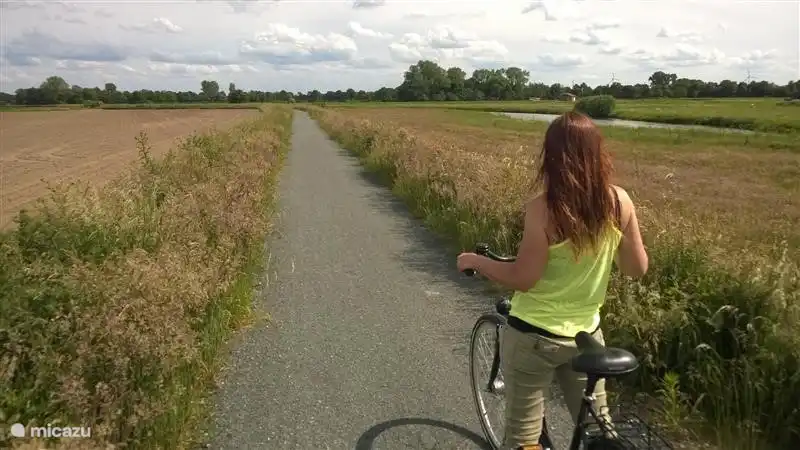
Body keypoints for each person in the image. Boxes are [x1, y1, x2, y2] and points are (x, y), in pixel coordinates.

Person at [456, 111, 649, 450]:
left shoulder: (543, 209)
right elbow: (636, 268)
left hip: (535, 337)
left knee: (523, 439)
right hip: (587, 337)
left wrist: (476, 261)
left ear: (552, 156)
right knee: (596, 433)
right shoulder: (620, 201)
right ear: (598, 153)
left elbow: (524, 278)